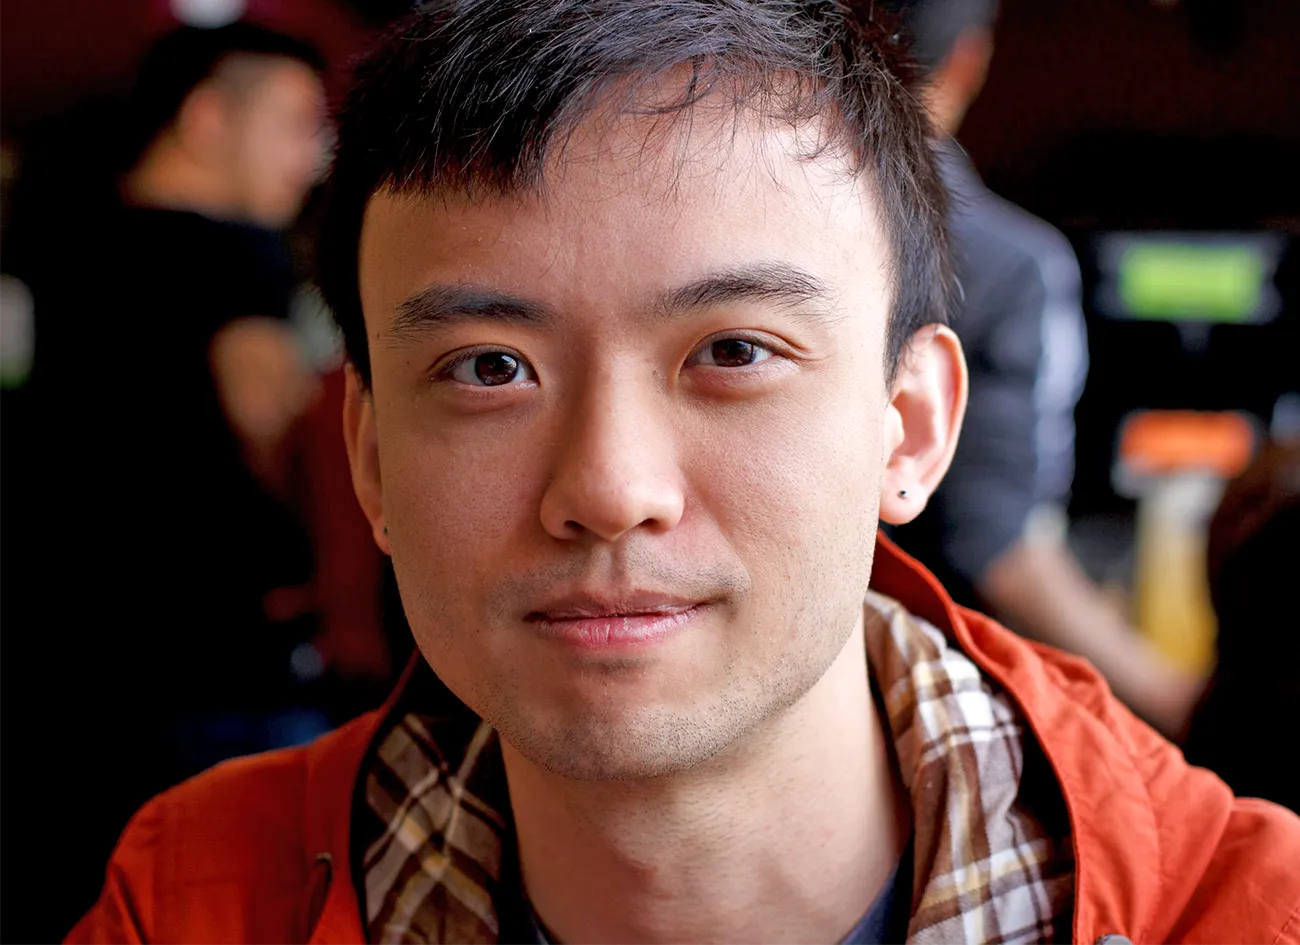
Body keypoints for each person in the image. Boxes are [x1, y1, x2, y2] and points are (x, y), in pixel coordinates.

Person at [69, 3, 1300, 944]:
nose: (608, 487)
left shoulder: (1240, 908)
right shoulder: (190, 900)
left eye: (732, 351)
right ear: (374, 461)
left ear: (910, 427)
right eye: (490, 367)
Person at [30, 22, 331, 934]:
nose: (311, 159)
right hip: (219, 670)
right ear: (206, 117)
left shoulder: (75, 237)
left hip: (88, 666)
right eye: (295, 124)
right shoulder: (227, 248)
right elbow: (278, 429)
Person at [883, 0, 1204, 737]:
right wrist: (1174, 697)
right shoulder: (1009, 268)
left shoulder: (733, 213)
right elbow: (999, 551)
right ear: (970, 59)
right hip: (953, 706)